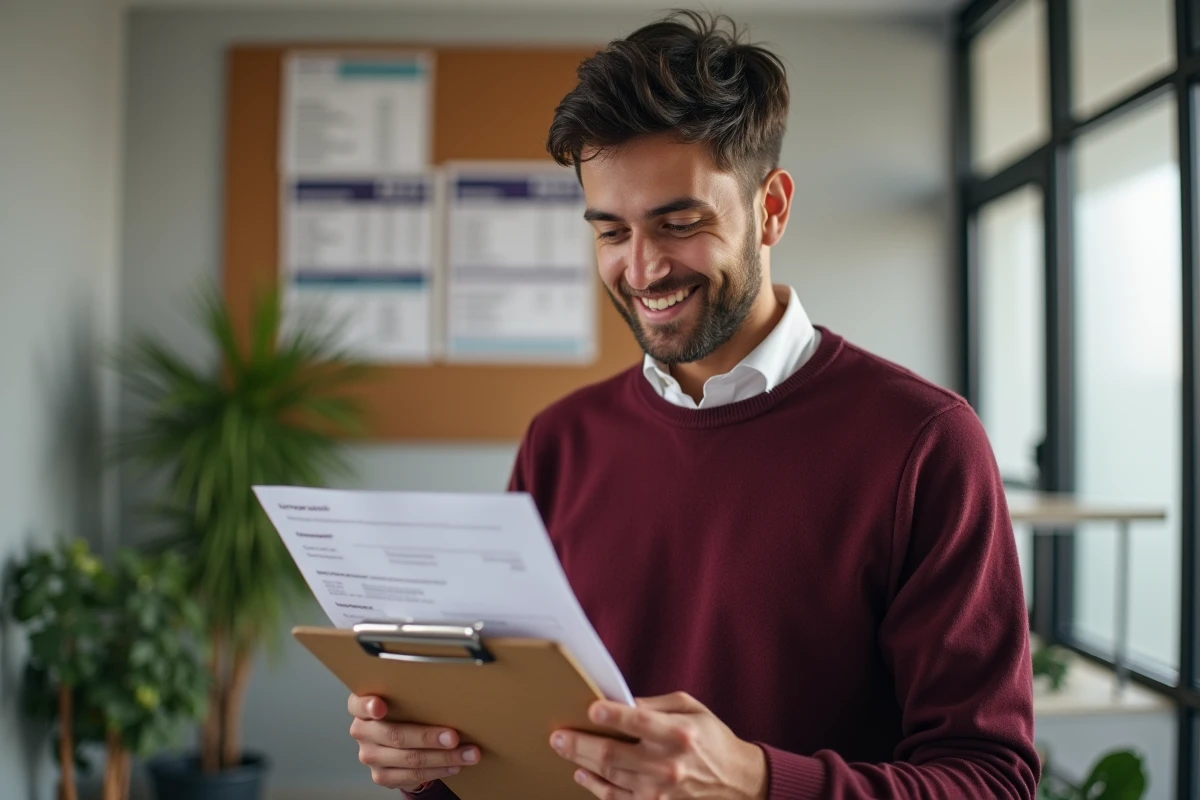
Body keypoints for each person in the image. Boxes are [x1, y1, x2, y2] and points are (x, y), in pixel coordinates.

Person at [347, 11, 1039, 799]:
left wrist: (756, 781)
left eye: (678, 224)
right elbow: (527, 738)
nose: (641, 270)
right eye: (611, 232)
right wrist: (433, 763)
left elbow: (991, 779)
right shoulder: (561, 441)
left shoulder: (923, 443)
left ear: (771, 207)